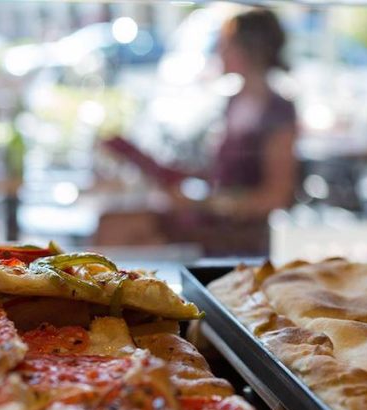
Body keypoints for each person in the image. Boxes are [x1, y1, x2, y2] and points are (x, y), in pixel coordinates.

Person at [101, 8, 298, 255]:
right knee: (114, 223)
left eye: (225, 44)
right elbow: (218, 175)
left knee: (118, 229)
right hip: (213, 217)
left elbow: (275, 195)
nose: (219, 52)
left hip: (238, 232)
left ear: (248, 50)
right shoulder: (234, 102)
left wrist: (206, 203)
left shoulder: (278, 111)